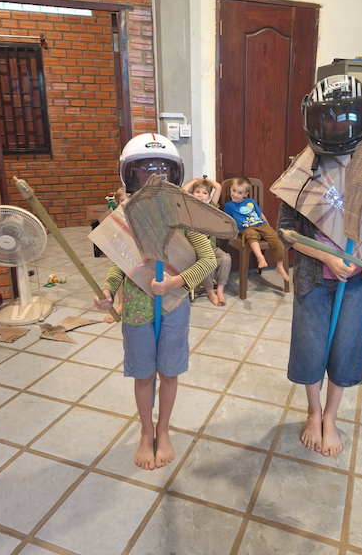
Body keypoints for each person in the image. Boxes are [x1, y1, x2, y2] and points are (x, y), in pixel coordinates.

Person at [277, 75, 362, 458]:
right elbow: (285, 231)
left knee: (344, 349)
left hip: (355, 283)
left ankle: (330, 416)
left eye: (346, 118)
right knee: (310, 349)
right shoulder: (303, 170)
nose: (338, 126)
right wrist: (327, 257)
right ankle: (313, 412)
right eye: (329, 118)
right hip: (313, 280)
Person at [94, 133, 216, 470]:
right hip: (136, 309)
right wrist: (108, 292)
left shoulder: (184, 216)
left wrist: (178, 281)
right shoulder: (127, 216)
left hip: (174, 308)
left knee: (169, 373)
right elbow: (119, 264)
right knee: (144, 376)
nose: (153, 178)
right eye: (144, 170)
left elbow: (208, 260)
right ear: (129, 174)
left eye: (161, 170)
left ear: (174, 174)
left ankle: (163, 430)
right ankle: (146, 431)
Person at [224, 177, 290, 283]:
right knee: (251, 236)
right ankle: (260, 257)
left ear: (246, 194)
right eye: (234, 191)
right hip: (246, 228)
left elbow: (260, 215)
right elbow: (227, 220)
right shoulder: (229, 206)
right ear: (230, 189)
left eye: (240, 193)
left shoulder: (251, 202)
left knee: (278, 240)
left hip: (261, 225)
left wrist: (268, 226)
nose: (235, 194)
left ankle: (279, 266)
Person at [182, 176, 231, 306]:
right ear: (192, 194)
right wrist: (194, 181)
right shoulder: (189, 207)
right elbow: (182, 192)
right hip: (197, 250)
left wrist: (207, 180)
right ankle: (210, 292)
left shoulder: (210, 208)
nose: (200, 195)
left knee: (226, 258)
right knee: (207, 262)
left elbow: (218, 187)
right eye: (197, 191)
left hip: (212, 247)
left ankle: (220, 289)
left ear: (209, 197)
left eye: (204, 193)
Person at [104, 187, 128, 324]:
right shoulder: (117, 219)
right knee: (119, 274)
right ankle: (121, 303)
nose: (127, 204)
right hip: (122, 251)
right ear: (118, 204)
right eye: (123, 201)